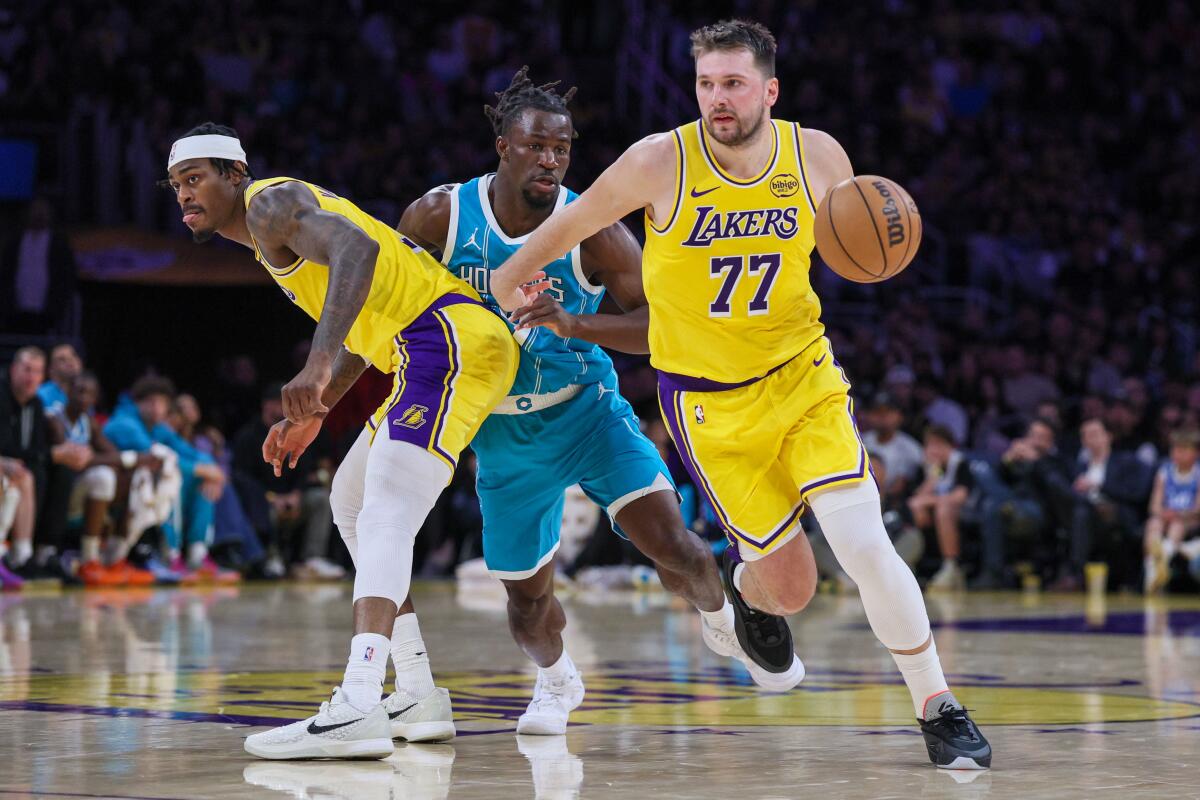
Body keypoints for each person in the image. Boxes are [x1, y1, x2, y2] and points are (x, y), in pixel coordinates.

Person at [485, 20, 990, 768]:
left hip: (801, 377)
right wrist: (503, 281)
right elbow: (569, 225)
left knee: (863, 542)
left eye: (733, 84)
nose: (717, 99)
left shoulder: (817, 155)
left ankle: (938, 704)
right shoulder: (658, 162)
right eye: (706, 84)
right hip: (709, 406)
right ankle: (747, 592)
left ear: (769, 90)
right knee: (792, 591)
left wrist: (878, 247)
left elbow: (852, 243)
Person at [397, 67, 763, 735]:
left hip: (589, 410)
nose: (550, 160)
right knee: (527, 610)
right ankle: (558, 679)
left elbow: (662, 328)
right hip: (503, 436)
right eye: (536, 146)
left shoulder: (592, 227)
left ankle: (723, 621)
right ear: (503, 145)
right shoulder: (439, 216)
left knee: (678, 549)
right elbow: (390, 306)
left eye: (562, 149)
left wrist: (577, 323)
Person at [162, 123, 519, 759]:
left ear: (233, 176)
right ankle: (416, 692)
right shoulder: (267, 235)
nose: (185, 196)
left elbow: (358, 248)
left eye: (195, 180)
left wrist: (317, 365)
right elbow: (362, 322)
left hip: (446, 338)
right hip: (428, 347)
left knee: (384, 509)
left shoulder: (269, 204)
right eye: (176, 186)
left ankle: (358, 702)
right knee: (350, 504)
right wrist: (318, 409)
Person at [104, 375, 235, 583]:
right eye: (150, 401)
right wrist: (203, 470)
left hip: (141, 488)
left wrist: (213, 471)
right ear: (137, 402)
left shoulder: (156, 427)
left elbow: (190, 452)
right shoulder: (125, 423)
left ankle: (197, 555)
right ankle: (170, 556)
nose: (157, 408)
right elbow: (157, 459)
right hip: (117, 489)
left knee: (201, 481)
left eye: (162, 402)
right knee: (172, 476)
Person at [47, 372, 159, 586]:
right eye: (79, 391)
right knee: (103, 476)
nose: (83, 398)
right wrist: (132, 458)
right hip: (59, 498)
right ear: (68, 391)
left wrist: (128, 460)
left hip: (83, 495)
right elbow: (77, 461)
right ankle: (89, 560)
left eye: (89, 394)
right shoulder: (54, 419)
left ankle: (116, 559)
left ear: (95, 399)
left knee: (135, 476)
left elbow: (112, 454)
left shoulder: (88, 422)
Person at [908, 425, 975, 591]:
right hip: (937, 512)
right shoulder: (926, 467)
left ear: (950, 446)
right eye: (930, 445)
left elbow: (960, 497)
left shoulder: (959, 463)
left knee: (943, 509)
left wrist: (929, 501)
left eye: (939, 444)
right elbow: (916, 499)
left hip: (966, 511)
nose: (934, 450)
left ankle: (951, 566)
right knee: (916, 510)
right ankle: (913, 564)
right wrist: (932, 478)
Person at [1143, 429, 1200, 593]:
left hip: (1189, 519)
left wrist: (1178, 514)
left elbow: (1198, 508)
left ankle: (1155, 570)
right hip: (1167, 516)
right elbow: (1154, 506)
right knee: (1153, 524)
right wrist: (1163, 514)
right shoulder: (1164, 471)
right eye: (1174, 449)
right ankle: (1155, 567)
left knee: (1177, 525)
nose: (1177, 454)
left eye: (1183, 450)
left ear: (1195, 453)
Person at [36, 343, 83, 417]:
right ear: (51, 370)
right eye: (62, 359)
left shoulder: (85, 393)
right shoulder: (40, 396)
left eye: (74, 355)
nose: (70, 361)